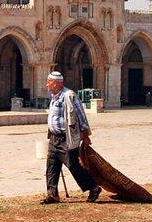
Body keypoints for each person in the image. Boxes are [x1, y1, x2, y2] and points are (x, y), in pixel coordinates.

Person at [42, 71, 102, 204]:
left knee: (73, 165)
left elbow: (81, 117)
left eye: (49, 82)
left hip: (66, 138)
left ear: (56, 83)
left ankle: (94, 187)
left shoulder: (69, 95)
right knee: (51, 166)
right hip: (53, 138)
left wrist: (85, 136)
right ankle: (53, 195)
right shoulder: (54, 97)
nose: (46, 84)